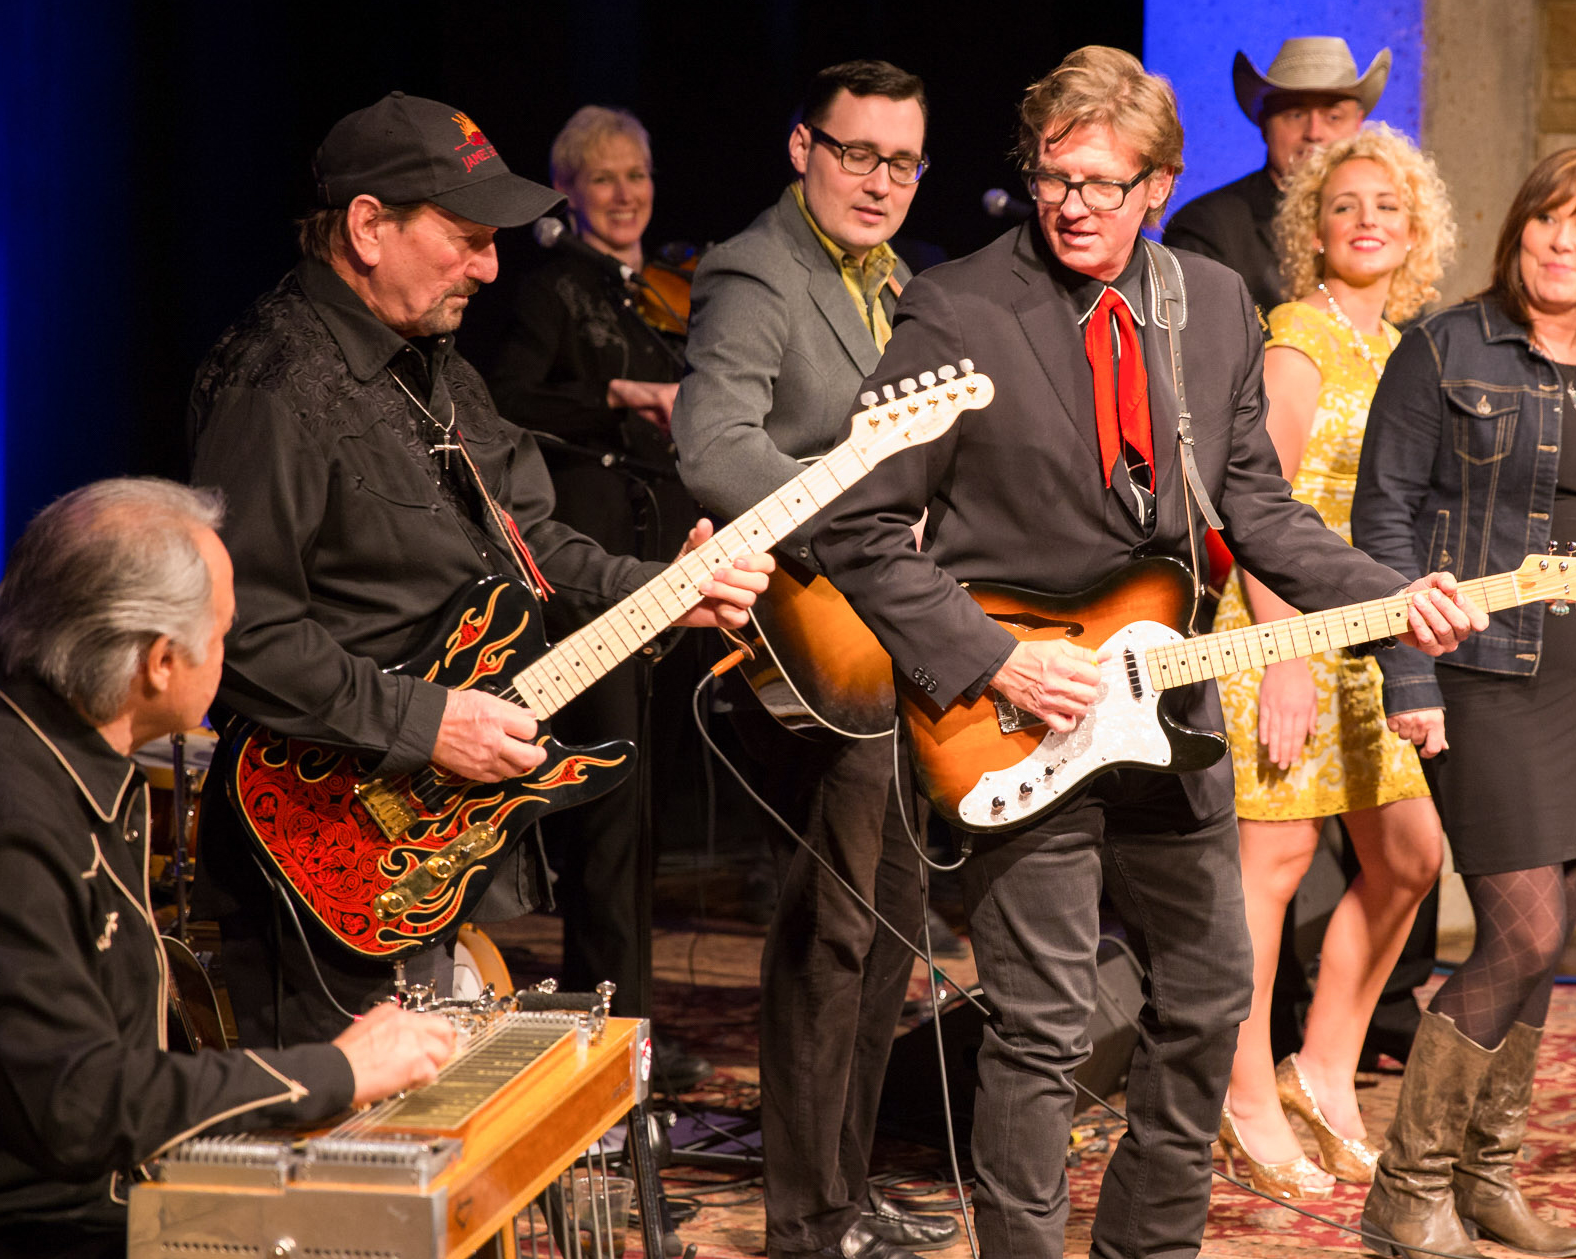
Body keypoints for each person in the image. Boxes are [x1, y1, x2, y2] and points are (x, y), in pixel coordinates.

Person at [811, 47, 1483, 1259]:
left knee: (1210, 998)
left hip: (1168, 707)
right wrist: (994, 661)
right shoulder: (958, 304)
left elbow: (1257, 510)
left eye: (1105, 184)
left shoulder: (1210, 303)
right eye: (1056, 177)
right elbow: (850, 520)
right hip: (1015, 706)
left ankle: (1146, 1245)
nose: (1074, 204)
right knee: (1044, 1020)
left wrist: (1393, 597)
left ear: (1159, 185)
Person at [187, 91, 770, 1052]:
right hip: (316, 834)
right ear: (369, 227)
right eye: (465, 237)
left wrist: (668, 589)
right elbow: (241, 632)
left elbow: (534, 544)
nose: (492, 267)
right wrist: (430, 722)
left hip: (431, 828)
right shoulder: (275, 383)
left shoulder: (443, 368)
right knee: (342, 1167)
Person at [0, 478, 457, 1259]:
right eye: (225, 631)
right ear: (161, 663)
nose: (232, 650)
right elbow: (76, 1106)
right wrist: (336, 1071)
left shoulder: (31, 737)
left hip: (77, 1195)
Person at [1349, 148, 1576, 1259]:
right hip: (1480, 677)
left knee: (1543, 949)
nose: (1563, 241)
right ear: (1519, 231)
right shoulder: (1443, 346)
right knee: (1524, 926)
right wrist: (1407, 670)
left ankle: (1486, 1176)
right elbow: (1383, 517)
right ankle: (1408, 1191)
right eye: (1548, 218)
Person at [670, 59, 955, 1259]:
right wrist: (862, 538)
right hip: (811, 633)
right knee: (833, 927)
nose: (880, 181)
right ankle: (805, 1218)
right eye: (857, 153)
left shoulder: (905, 282)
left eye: (904, 162)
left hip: (897, 641)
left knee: (893, 925)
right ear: (803, 148)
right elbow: (714, 444)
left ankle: (842, 1191)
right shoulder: (755, 269)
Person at [1211, 125, 1458, 1201]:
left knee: (1408, 854)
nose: (1366, 221)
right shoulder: (1297, 334)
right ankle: (1244, 1095)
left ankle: (1320, 1066)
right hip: (1279, 629)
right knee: (1268, 870)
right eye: (1345, 205)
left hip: (1367, 638)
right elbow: (1254, 508)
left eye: (1387, 208)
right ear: (1313, 228)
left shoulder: (1406, 345)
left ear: (1416, 235)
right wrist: (1281, 656)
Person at [484, 104, 711, 1090]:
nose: (626, 195)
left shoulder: (654, 294)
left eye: (639, 176)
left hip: (659, 573)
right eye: (605, 179)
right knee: (608, 811)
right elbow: (502, 403)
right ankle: (611, 1036)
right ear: (568, 191)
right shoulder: (550, 293)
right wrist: (618, 395)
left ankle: (627, 1027)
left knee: (644, 812)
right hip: (592, 576)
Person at [1162, 37, 1388, 315]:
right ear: (1264, 124)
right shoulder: (1208, 227)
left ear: (1358, 125)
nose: (1314, 132)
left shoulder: (1383, 226)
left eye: (1333, 116)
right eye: (1295, 114)